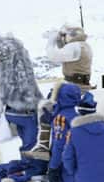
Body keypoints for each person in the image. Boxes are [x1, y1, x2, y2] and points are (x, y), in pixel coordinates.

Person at [26, 25, 93, 159]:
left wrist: (52, 39)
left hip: (72, 86)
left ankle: (43, 145)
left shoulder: (74, 47)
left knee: (45, 107)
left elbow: (54, 56)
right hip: (84, 84)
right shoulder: (85, 46)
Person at [45, 83, 82, 182]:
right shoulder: (78, 115)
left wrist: (53, 167)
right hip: (79, 165)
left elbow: (59, 145)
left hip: (65, 167)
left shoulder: (61, 118)